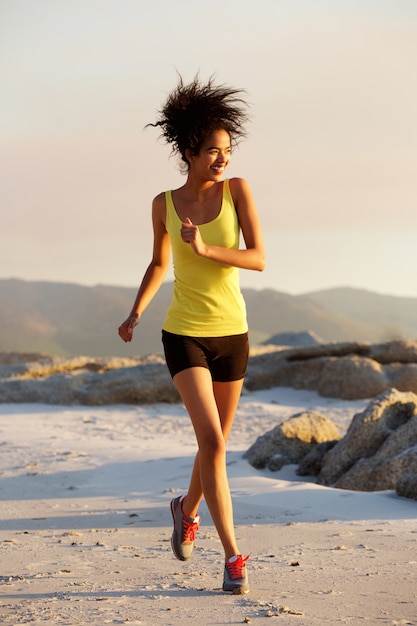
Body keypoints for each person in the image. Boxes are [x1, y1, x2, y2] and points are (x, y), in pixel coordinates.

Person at [118, 75, 265, 594]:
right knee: (211, 440)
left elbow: (259, 258)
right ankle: (232, 557)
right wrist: (136, 311)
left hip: (234, 335)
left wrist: (204, 250)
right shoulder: (164, 203)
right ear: (188, 152)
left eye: (227, 150)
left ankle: (185, 508)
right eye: (212, 151)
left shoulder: (238, 191)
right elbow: (159, 262)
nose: (223, 159)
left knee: (217, 445)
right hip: (184, 334)